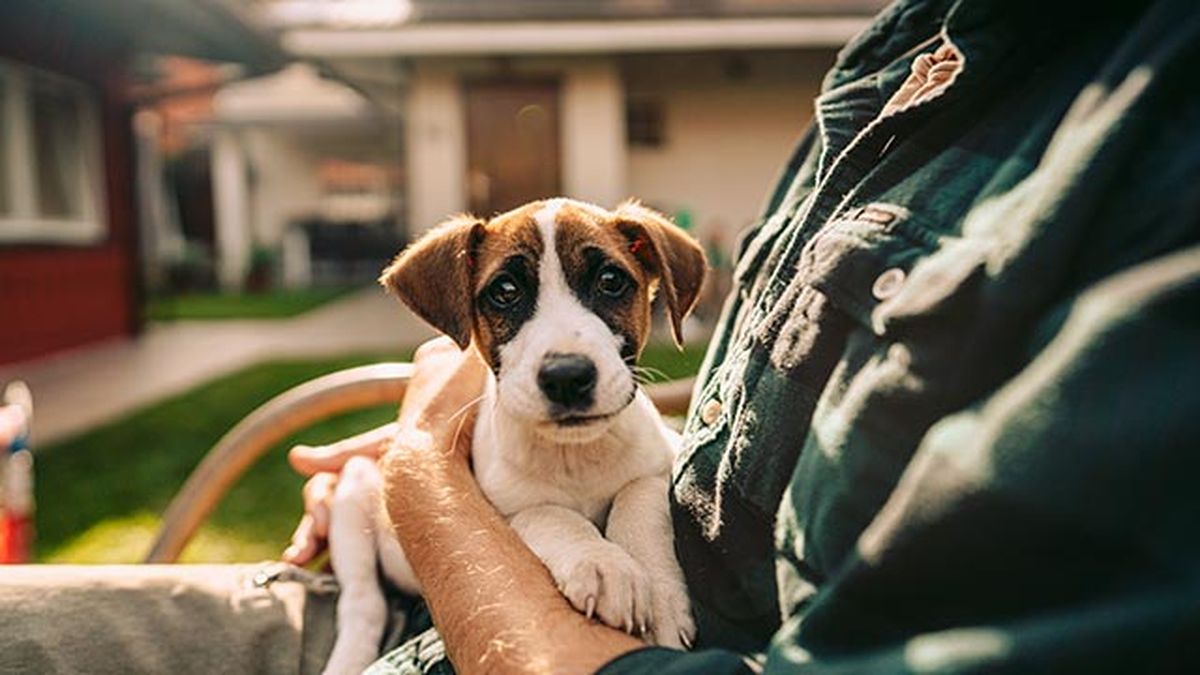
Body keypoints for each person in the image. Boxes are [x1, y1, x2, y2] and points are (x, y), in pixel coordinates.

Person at [2, 0, 1198, 673]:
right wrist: (413, 492)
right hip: (400, 614)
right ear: (462, 307)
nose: (565, 340)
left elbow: (629, 481)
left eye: (609, 291)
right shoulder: (907, 50)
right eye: (509, 301)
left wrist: (426, 466)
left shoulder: (1146, 131)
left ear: (660, 291)